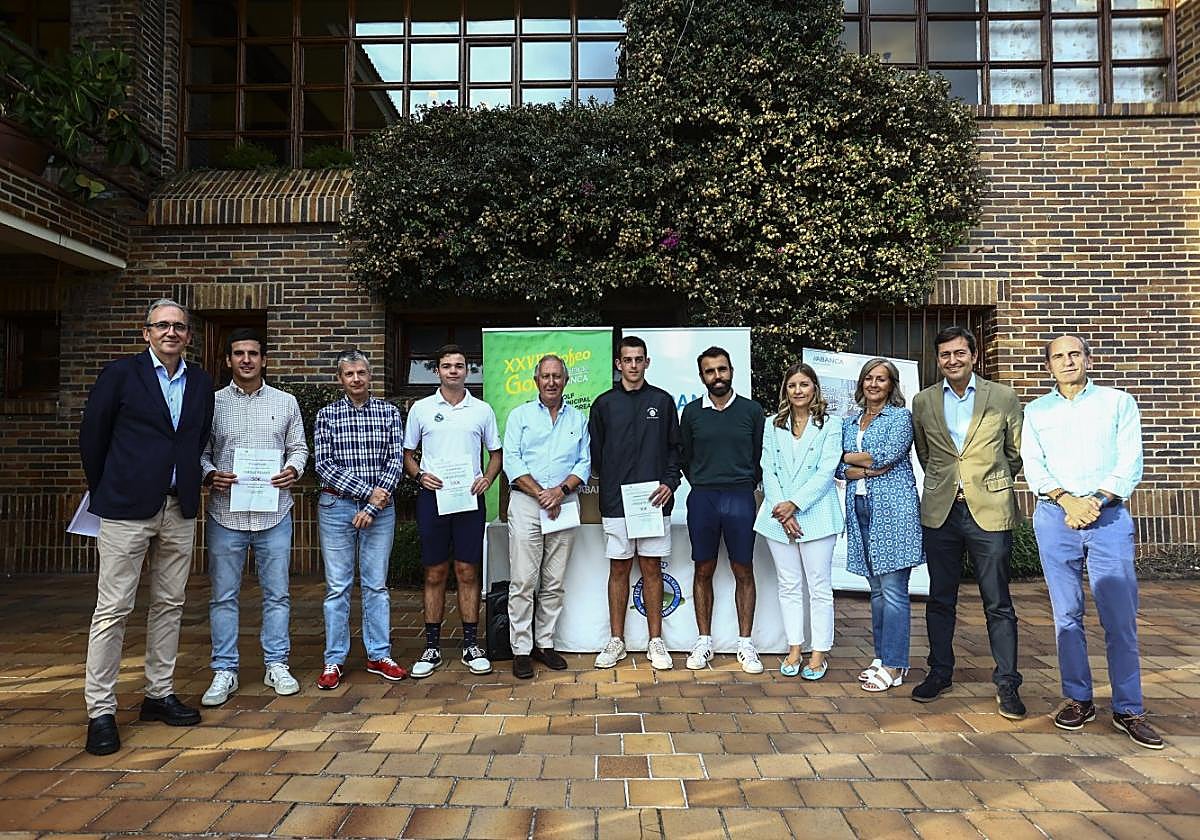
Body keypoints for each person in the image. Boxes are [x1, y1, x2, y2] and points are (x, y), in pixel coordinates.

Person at [79, 298, 215, 756]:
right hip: (125, 508)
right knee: (113, 607)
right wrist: (109, 488)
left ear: (189, 336)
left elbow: (195, 439)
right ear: (146, 333)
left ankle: (158, 694)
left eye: (178, 326)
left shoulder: (200, 381)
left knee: (170, 603)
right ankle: (100, 710)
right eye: (162, 325)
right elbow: (92, 436)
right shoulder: (120, 374)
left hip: (179, 509)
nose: (171, 332)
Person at [1021, 334, 1163, 749]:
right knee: (1067, 615)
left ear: (1088, 358)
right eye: (1058, 357)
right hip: (1055, 517)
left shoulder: (1117, 403)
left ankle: (1128, 708)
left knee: (1119, 618)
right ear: (1048, 366)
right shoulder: (1037, 410)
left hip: (1108, 518)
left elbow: (1129, 461)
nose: (1067, 361)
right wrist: (1067, 501)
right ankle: (1078, 698)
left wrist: (1095, 502)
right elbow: (1034, 464)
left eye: (1074, 354)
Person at [910, 326, 1026, 719]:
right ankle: (940, 671)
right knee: (940, 598)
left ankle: (1007, 682)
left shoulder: (1003, 396)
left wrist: (986, 484)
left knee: (998, 602)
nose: (953, 360)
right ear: (938, 359)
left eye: (960, 353)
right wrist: (950, 484)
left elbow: (1015, 453)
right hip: (941, 511)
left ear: (974, 356)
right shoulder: (923, 401)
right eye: (945, 355)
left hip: (989, 510)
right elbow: (927, 454)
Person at [199, 328, 308, 706]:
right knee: (223, 596)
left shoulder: (286, 402)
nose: (246, 359)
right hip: (225, 514)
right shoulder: (210, 403)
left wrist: (293, 470)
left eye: (253, 353)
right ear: (228, 360)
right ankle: (224, 670)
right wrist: (210, 474)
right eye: (239, 353)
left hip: (274, 514)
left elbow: (299, 448)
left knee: (277, 595)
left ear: (264, 360)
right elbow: (200, 452)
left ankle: (276, 663)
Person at [403, 344, 503, 679]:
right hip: (433, 499)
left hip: (468, 499)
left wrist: (487, 478)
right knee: (434, 572)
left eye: (460, 365)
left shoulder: (482, 410)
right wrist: (419, 475)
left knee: (467, 571)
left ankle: (471, 645)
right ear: (437, 371)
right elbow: (408, 455)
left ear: (468, 371)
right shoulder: (421, 409)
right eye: (447, 366)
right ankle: (431, 646)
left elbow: (496, 454)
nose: (454, 371)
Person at [313, 348, 407, 689]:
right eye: (349, 374)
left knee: (376, 586)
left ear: (370, 376)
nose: (356, 379)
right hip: (336, 508)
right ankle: (333, 660)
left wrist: (371, 508)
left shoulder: (388, 412)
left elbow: (395, 461)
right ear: (340, 379)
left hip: (379, 513)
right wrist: (366, 495)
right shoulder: (326, 415)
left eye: (361, 373)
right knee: (337, 587)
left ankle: (379, 654)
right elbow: (323, 465)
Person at [589, 335, 683, 671]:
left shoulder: (663, 401)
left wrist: (669, 483)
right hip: (616, 501)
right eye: (627, 360)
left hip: (654, 503)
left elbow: (675, 449)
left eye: (638, 359)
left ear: (646, 362)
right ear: (618, 363)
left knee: (652, 568)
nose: (632, 365)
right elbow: (596, 456)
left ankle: (655, 641)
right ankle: (617, 640)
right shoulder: (603, 404)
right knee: (618, 569)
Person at [837, 357, 923, 693]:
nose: (874, 384)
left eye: (882, 379)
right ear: (861, 384)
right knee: (875, 592)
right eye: (869, 378)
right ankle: (880, 656)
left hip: (894, 510)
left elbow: (885, 456)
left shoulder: (901, 418)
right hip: (859, 505)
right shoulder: (850, 421)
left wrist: (851, 459)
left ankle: (896, 664)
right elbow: (838, 465)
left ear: (892, 385)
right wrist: (853, 463)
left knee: (894, 591)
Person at [753, 362, 844, 679]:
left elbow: (826, 471)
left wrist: (795, 505)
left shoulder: (831, 425)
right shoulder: (772, 424)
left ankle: (818, 653)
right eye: (792, 385)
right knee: (789, 585)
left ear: (814, 388)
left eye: (804, 384)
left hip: (815, 516)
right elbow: (769, 468)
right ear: (786, 390)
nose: (798, 390)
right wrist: (782, 508)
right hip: (778, 518)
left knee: (819, 587)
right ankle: (794, 648)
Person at [502, 354, 591, 679]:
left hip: (564, 504)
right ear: (536, 380)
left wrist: (560, 492)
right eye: (545, 376)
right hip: (527, 503)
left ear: (566, 381)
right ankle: (521, 650)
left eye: (557, 376)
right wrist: (542, 493)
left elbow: (584, 462)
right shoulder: (520, 415)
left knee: (553, 582)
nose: (551, 382)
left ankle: (544, 643)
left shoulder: (578, 419)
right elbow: (511, 459)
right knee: (524, 580)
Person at [680, 346, 766, 674]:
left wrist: (743, 482)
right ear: (701, 376)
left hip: (740, 496)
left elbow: (761, 457)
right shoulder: (691, 413)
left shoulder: (752, 411)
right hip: (703, 497)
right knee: (703, 569)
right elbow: (684, 456)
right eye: (710, 371)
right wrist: (703, 481)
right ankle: (704, 641)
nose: (717, 376)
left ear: (732, 371)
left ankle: (745, 643)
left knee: (743, 569)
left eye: (722, 369)